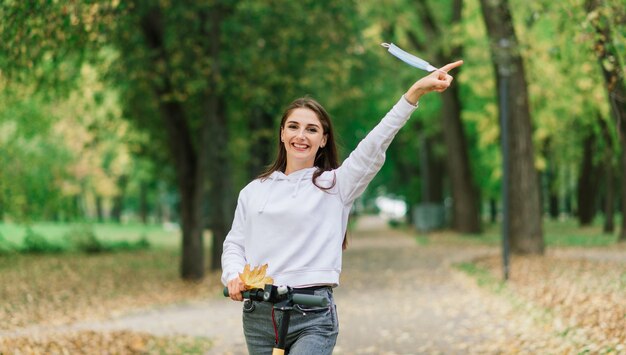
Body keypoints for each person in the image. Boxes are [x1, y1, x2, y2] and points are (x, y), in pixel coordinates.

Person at [222, 59, 463, 354]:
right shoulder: (253, 191)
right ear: (282, 133)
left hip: (312, 315)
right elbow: (235, 243)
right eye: (293, 127)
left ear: (323, 140)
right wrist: (233, 275)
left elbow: (373, 147)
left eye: (311, 130)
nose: (301, 135)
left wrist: (412, 95)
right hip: (259, 317)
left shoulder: (335, 185)